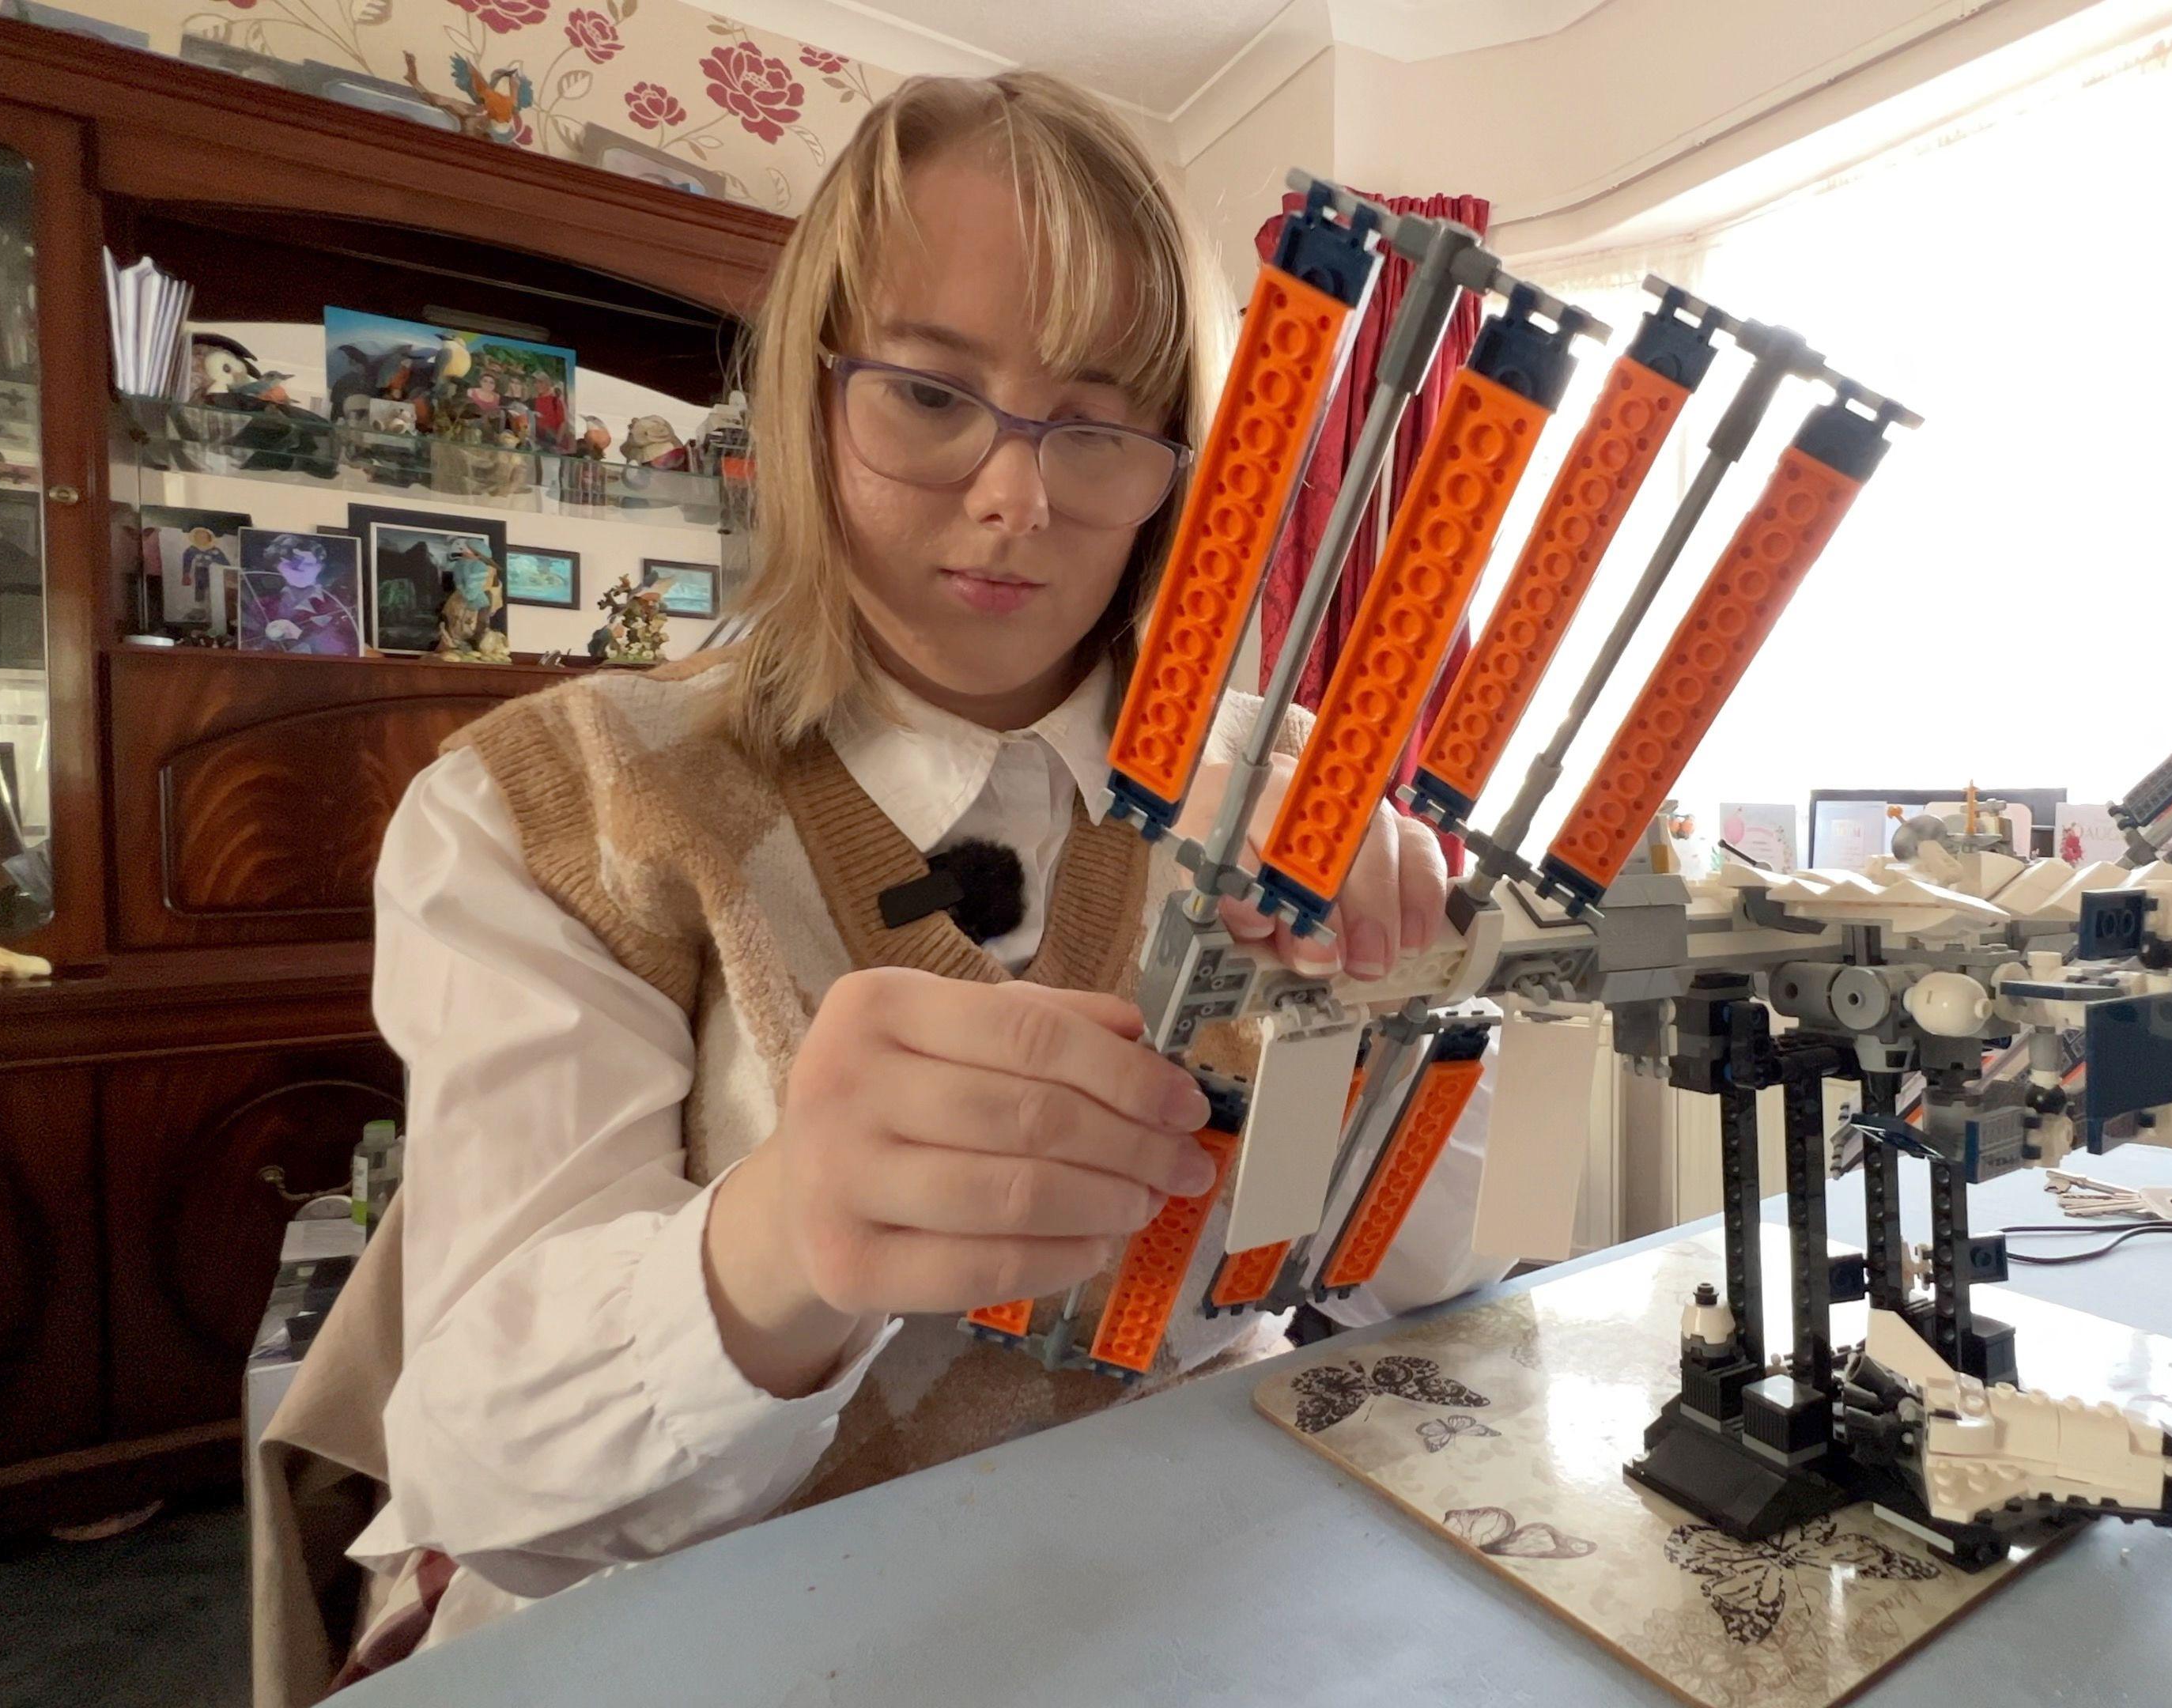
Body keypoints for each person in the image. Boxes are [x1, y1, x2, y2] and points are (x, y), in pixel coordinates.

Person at [334, 70, 1507, 1667]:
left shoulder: (1291, 786)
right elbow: (483, 1477)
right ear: (813, 400)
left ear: (1190, 466)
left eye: (1095, 425)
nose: (1018, 494)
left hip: (1167, 1612)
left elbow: (1440, 1288)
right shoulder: (552, 804)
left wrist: (1398, 995)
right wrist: (781, 1237)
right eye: (932, 395)